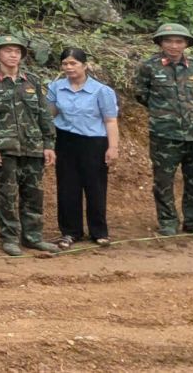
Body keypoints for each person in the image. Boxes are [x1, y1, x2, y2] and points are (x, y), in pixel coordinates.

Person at [0, 33, 57, 257]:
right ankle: (10, 238)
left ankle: (33, 237)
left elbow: (44, 113)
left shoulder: (32, 81)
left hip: (33, 146)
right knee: (7, 195)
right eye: (8, 51)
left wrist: (48, 144)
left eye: (17, 51)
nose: (13, 55)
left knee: (34, 194)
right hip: (5, 148)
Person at [134, 23, 193, 236]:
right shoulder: (148, 67)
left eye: (179, 41)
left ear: (186, 44)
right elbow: (141, 95)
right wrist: (164, 114)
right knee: (163, 182)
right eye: (168, 41)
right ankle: (168, 222)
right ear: (160, 43)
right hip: (164, 134)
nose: (173, 45)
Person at [48, 47, 120, 248]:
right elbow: (49, 114)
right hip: (65, 141)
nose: (69, 67)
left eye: (73, 63)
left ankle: (99, 231)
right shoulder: (56, 88)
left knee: (95, 186)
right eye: (65, 64)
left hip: (94, 142)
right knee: (67, 187)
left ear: (85, 65)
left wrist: (113, 147)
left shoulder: (101, 91)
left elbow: (110, 120)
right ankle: (70, 232)